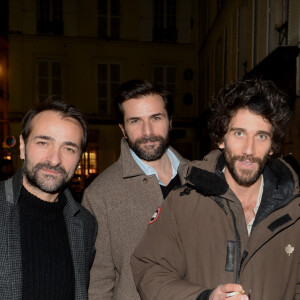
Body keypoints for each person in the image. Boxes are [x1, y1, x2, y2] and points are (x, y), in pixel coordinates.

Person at [131, 77, 300, 300]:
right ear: (221, 138)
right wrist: (204, 297)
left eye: (261, 136)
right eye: (239, 133)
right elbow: (149, 271)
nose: (248, 149)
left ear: (272, 146)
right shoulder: (184, 202)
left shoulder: (295, 209)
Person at [82, 79, 190, 299]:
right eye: (135, 121)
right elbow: (98, 283)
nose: (147, 131)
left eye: (156, 118)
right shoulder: (100, 194)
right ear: (122, 128)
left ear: (170, 121)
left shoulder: (201, 178)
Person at [0, 100, 97, 299]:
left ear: (79, 158)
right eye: (43, 143)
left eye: (68, 148)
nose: (54, 160)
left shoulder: (85, 224)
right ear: (22, 146)